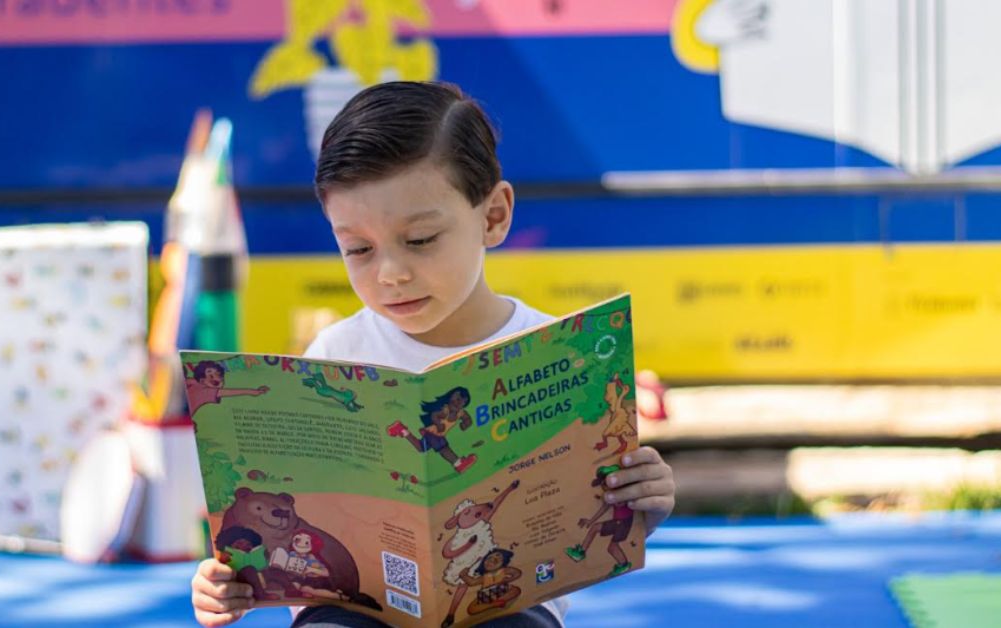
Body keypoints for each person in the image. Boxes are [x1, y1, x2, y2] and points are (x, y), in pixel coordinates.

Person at [190, 81, 677, 628]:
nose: (391, 274)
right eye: (358, 249)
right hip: (355, 609)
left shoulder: (561, 355)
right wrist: (228, 579)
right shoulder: (333, 357)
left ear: (493, 216)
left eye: (420, 240)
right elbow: (283, 508)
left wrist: (643, 499)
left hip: (507, 602)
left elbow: (590, 509)